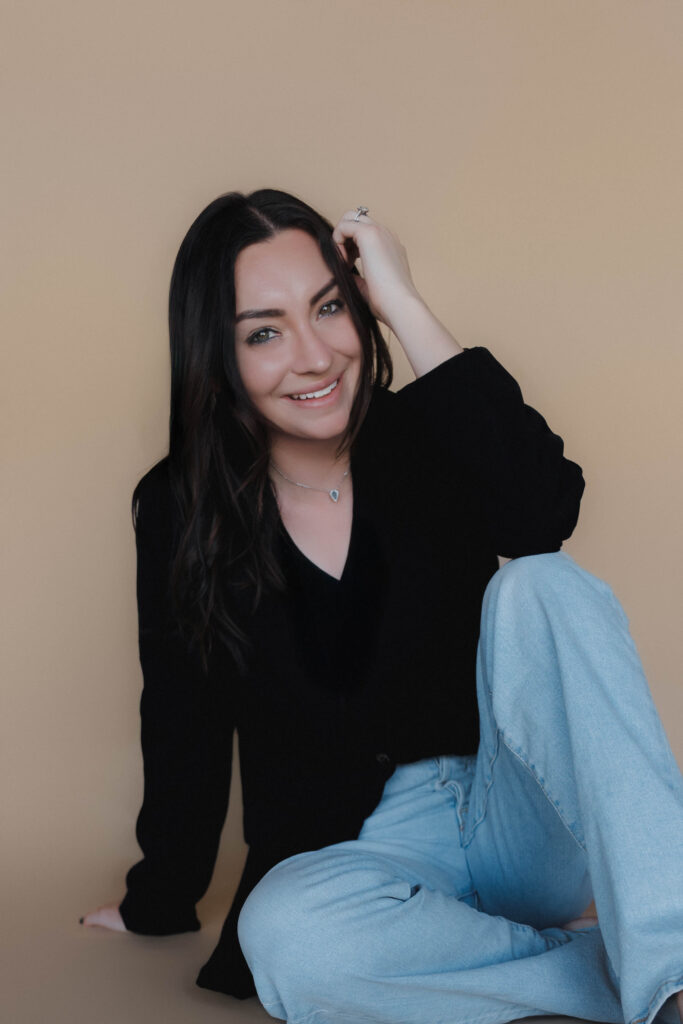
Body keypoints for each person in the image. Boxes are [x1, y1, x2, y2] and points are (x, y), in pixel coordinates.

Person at [82, 189, 683, 1024]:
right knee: (288, 942)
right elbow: (180, 710)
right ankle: (610, 973)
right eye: (263, 331)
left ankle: (674, 963)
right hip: (365, 849)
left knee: (540, 582)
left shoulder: (430, 432)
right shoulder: (183, 508)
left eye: (329, 308)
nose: (314, 356)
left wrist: (403, 303)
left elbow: (542, 513)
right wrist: (159, 897)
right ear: (215, 358)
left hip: (516, 810)